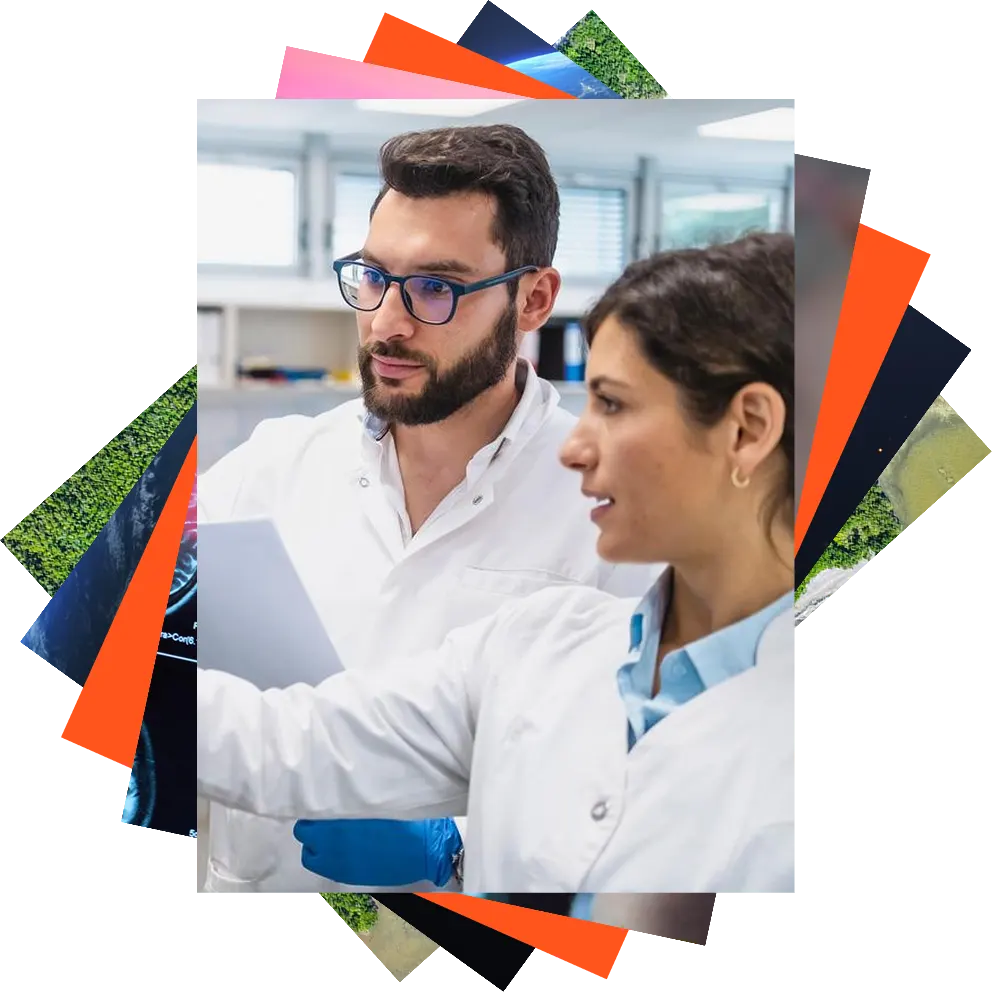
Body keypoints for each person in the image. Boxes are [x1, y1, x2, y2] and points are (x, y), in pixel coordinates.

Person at [197, 231, 799, 895]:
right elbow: (289, 741)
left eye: (613, 404)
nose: (573, 449)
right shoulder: (545, 640)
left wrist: (455, 852)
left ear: (747, 430)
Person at [197, 123, 657, 896]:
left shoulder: (618, 513)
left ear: (534, 298)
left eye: (437, 288)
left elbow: (646, 781)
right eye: (373, 277)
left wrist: (458, 848)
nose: (387, 323)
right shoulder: (272, 470)